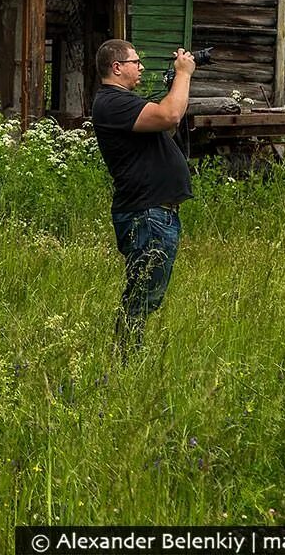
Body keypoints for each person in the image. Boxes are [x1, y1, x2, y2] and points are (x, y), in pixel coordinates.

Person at [91, 39, 196, 358]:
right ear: (117, 67)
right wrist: (184, 73)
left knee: (146, 294)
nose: (141, 67)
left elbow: (168, 121)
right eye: (136, 62)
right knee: (141, 296)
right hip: (146, 214)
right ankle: (124, 363)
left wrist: (176, 84)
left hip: (153, 213)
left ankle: (125, 358)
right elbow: (170, 115)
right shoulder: (111, 102)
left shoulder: (122, 104)